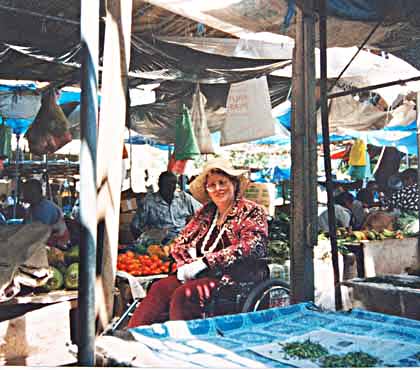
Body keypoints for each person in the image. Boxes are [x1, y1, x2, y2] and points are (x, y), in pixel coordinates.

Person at [127, 158, 268, 327]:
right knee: (160, 287)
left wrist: (206, 262)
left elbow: (253, 245)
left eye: (222, 182)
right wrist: (186, 264)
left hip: (233, 278)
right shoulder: (206, 212)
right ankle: (135, 336)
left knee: (185, 295)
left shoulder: (251, 211)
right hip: (199, 275)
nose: (218, 189)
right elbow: (181, 241)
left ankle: (184, 342)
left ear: (234, 183)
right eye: (212, 185)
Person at [130, 171, 201, 244]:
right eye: (166, 184)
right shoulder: (148, 202)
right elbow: (135, 226)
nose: (170, 187)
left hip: (183, 240)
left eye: (173, 183)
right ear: (159, 185)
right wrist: (144, 244)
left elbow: (203, 211)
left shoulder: (184, 198)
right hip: (160, 242)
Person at [22, 178, 69, 248]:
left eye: (27, 192)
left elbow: (38, 233)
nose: (24, 195)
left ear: (38, 192)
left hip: (56, 247)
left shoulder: (45, 208)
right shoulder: (32, 208)